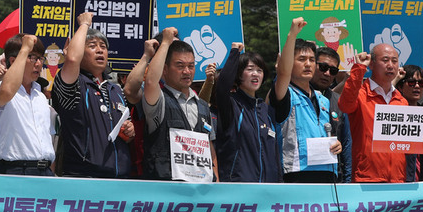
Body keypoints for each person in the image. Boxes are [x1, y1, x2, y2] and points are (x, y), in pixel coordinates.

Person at [51, 11, 133, 178]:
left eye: (103, 47)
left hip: (120, 178)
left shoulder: (115, 90)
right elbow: (73, 59)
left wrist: (129, 130)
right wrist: (84, 24)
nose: (99, 50)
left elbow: (126, 131)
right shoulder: (73, 84)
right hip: (84, 177)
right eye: (92, 45)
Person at [269, 18, 341, 183]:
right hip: (296, 175)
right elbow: (283, 73)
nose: (308, 64)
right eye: (301, 59)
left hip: (328, 175)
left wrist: (337, 146)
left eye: (311, 60)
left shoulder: (323, 100)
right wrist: (292, 34)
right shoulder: (286, 94)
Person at [139, 28, 216, 181]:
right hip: (167, 193)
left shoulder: (202, 106)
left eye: (191, 66)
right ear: (165, 70)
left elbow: (211, 153)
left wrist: (216, 186)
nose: (187, 71)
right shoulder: (159, 101)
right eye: (180, 66)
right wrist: (166, 42)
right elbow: (150, 82)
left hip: (201, 192)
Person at [339, 44, 423, 183]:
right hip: (366, 179)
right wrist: (359, 69)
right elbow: (345, 105)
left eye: (394, 61)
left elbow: (405, 144)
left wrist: (419, 137)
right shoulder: (360, 94)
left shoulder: (401, 100)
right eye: (385, 60)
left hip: (397, 180)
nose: (390, 65)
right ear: (371, 64)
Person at [0, 33, 55, 176]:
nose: (39, 64)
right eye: (32, 57)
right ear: (14, 60)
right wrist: (24, 49)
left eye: (40, 58)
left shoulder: (40, 96)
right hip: (14, 171)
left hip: (45, 172)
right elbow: (7, 92)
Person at [213, 40, 280, 183]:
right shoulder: (231, 104)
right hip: (239, 187)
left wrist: (279, 183)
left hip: (269, 188)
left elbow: (274, 153)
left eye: (259, 70)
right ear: (238, 75)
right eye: (249, 69)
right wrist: (234, 53)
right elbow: (222, 86)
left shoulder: (266, 110)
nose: (255, 74)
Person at [310, 46, 352, 183]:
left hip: (334, 179)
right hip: (301, 178)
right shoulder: (294, 95)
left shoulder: (338, 101)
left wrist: (347, 181)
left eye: (333, 70)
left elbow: (346, 143)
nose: (327, 73)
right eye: (322, 67)